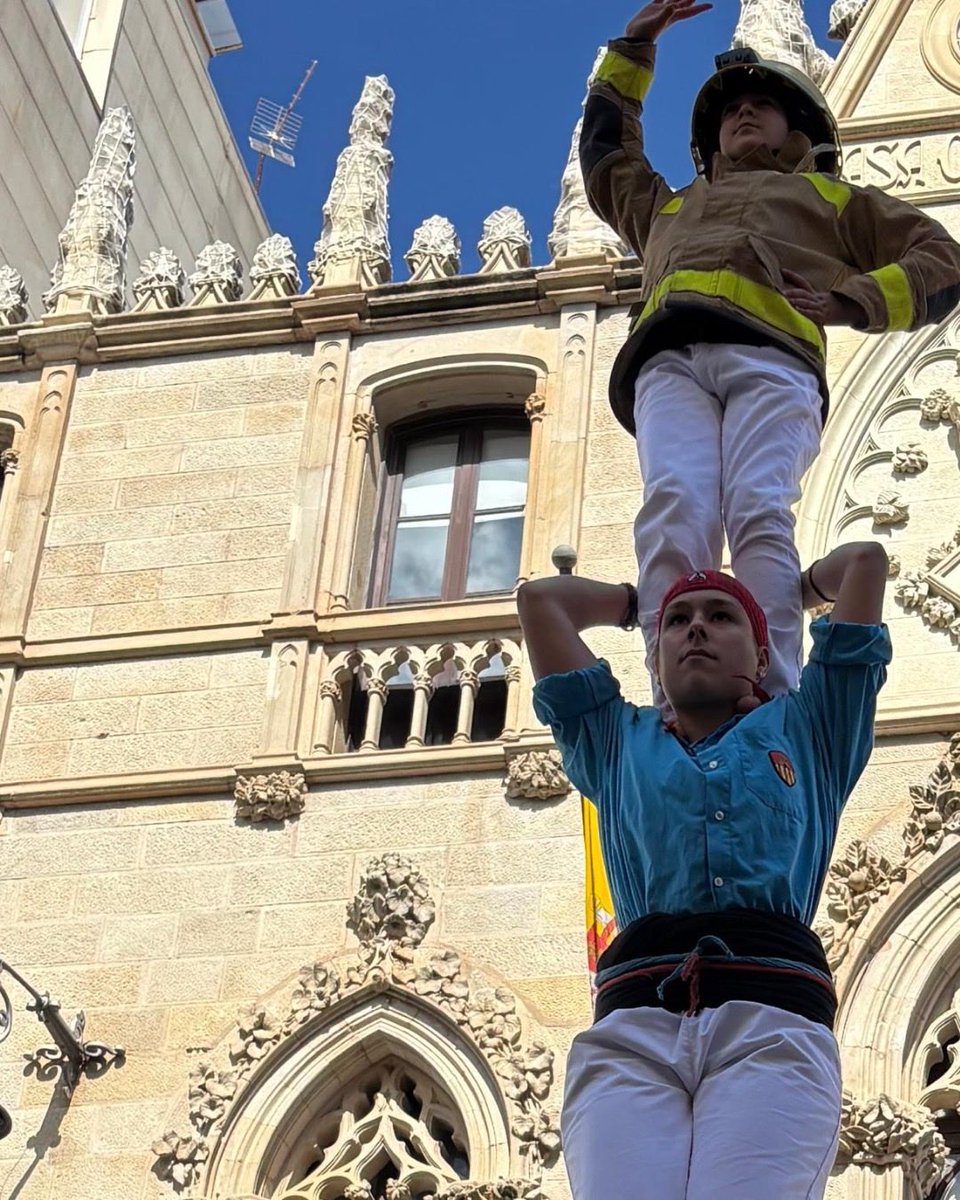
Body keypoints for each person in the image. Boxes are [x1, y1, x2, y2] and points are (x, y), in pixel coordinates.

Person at [580, 0, 960, 704]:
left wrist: (857, 299)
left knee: (758, 510)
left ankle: (772, 692)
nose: (742, 114)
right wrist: (633, 51)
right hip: (669, 362)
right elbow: (607, 159)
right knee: (674, 510)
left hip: (772, 358)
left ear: (800, 127)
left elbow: (941, 258)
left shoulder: (833, 199)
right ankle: (675, 694)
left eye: (762, 104)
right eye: (731, 110)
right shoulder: (668, 208)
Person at [517, 541, 891, 1199]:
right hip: (636, 1027)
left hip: (771, 1021)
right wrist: (638, 604)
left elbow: (864, 563)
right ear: (657, 657)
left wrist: (789, 594)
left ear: (763, 654)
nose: (695, 625)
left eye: (721, 616)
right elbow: (540, 602)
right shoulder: (611, 737)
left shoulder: (812, 727)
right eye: (679, 619)